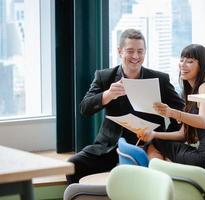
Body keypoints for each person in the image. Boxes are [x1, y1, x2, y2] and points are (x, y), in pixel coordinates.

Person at [66, 28, 184, 184]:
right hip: (110, 146)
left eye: (140, 51)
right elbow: (84, 108)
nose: (136, 56)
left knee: (153, 175)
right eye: (130, 51)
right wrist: (107, 95)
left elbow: (181, 112)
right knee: (71, 166)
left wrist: (163, 137)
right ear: (119, 51)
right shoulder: (105, 77)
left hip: (148, 145)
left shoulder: (159, 79)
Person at [139, 44, 205, 169]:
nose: (183, 64)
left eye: (190, 61)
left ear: (201, 66)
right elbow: (183, 134)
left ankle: (159, 178)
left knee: (155, 144)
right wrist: (154, 134)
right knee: (156, 140)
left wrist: (172, 113)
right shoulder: (190, 93)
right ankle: (164, 177)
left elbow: (203, 121)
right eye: (182, 60)